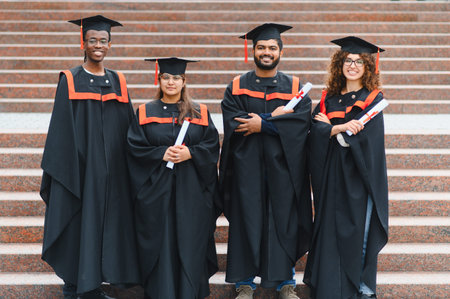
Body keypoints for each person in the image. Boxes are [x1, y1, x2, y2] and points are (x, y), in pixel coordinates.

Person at [40, 15, 140, 299]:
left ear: (110, 44)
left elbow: (129, 128)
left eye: (103, 41)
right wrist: (74, 170)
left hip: (113, 175)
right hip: (81, 173)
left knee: (107, 227)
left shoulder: (118, 81)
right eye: (93, 40)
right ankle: (75, 286)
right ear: (83, 43)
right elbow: (60, 131)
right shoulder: (70, 80)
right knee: (79, 225)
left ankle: (94, 285)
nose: (98, 45)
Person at [218, 23, 313, 299]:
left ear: (281, 51)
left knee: (282, 222)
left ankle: (285, 282)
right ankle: (244, 283)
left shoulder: (295, 87)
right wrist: (276, 121)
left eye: (272, 47)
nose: (267, 52)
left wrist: (264, 124)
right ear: (253, 51)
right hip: (246, 168)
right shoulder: (237, 86)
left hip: (283, 169)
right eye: (261, 47)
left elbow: (300, 124)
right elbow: (235, 122)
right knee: (246, 221)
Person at [127, 57, 220, 299]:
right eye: (166, 77)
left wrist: (192, 153)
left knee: (190, 243)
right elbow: (134, 148)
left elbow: (211, 147)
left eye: (176, 78)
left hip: (191, 193)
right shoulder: (145, 112)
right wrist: (160, 153)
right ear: (159, 80)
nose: (171, 82)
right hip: (156, 193)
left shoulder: (199, 112)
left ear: (184, 81)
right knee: (162, 244)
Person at [304, 36, 389, 299]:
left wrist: (330, 129)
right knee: (329, 231)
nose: (352, 65)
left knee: (357, 232)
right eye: (348, 60)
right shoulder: (327, 97)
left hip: (358, 177)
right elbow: (315, 129)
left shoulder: (373, 98)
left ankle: (359, 289)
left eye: (359, 61)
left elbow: (369, 138)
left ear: (368, 67)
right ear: (340, 63)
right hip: (331, 176)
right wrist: (339, 128)